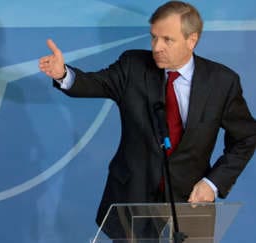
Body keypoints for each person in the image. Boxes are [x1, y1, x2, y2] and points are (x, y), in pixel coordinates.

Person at [39, 0, 256, 240]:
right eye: (154, 37)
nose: (156, 47)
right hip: (131, 200)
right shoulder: (133, 66)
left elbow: (247, 136)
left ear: (191, 40)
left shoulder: (222, 82)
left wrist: (212, 183)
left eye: (167, 40)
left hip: (190, 207)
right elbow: (93, 83)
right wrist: (62, 74)